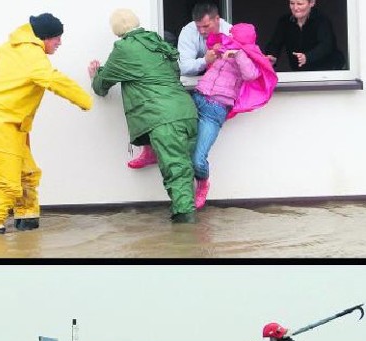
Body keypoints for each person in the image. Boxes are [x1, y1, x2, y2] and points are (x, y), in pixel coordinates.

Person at [0, 13, 93, 234]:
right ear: (45, 37)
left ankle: (26, 216)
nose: (60, 43)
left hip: (11, 124)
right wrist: (84, 100)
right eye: (57, 38)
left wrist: (0, 77)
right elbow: (54, 80)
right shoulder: (33, 56)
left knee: (28, 173)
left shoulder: (10, 48)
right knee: (7, 184)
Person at [89, 9, 199, 223]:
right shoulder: (157, 42)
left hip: (164, 119)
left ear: (117, 29)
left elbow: (102, 86)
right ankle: (189, 223)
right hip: (186, 112)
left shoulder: (125, 49)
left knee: (176, 171)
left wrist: (95, 75)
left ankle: (186, 232)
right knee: (184, 171)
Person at [128, 3, 232, 170]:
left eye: (206, 26)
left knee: (197, 155)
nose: (202, 31)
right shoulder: (189, 31)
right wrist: (205, 61)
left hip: (217, 100)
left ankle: (195, 179)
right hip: (193, 93)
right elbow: (184, 67)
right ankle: (151, 150)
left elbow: (243, 67)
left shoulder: (231, 32)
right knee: (162, 114)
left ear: (217, 19)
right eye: (199, 27)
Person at [190, 23, 276, 209]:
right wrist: (213, 55)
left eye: (233, 36)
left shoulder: (248, 55)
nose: (229, 37)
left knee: (198, 159)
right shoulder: (223, 47)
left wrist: (239, 54)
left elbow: (251, 75)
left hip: (215, 109)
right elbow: (210, 66)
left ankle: (203, 183)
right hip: (197, 97)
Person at [264, 0, 345, 72]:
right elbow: (275, 43)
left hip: (327, 70)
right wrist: (272, 56)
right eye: (292, 3)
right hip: (300, 72)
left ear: (312, 3)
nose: (295, 8)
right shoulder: (284, 22)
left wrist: (307, 57)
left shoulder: (322, 20)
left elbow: (326, 45)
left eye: (300, 4)